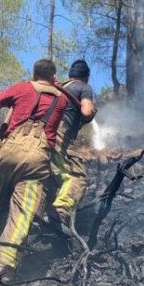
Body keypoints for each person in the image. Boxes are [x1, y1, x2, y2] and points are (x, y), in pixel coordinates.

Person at [0, 58, 68, 282]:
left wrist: (16, 96)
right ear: (53, 76)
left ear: (34, 74)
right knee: (21, 216)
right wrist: (58, 86)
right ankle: (0, 269)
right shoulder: (61, 98)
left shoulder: (22, 88)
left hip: (6, 154)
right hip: (36, 159)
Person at [43, 59, 96, 229]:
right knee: (77, 177)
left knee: (48, 177)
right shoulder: (83, 87)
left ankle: (40, 218)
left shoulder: (60, 87)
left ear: (70, 75)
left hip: (37, 134)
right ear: (86, 76)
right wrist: (92, 111)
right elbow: (86, 112)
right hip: (59, 132)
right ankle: (60, 213)